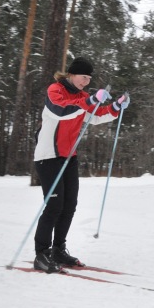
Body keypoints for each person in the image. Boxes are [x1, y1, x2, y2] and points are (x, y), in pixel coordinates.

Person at [33, 57, 130, 273]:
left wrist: (115, 107)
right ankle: (42, 253)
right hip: (48, 156)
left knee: (69, 205)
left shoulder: (83, 97)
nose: (85, 81)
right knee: (54, 206)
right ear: (71, 74)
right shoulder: (55, 90)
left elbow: (94, 117)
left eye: (89, 78)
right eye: (83, 76)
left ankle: (58, 249)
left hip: (69, 157)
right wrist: (90, 101)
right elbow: (62, 111)